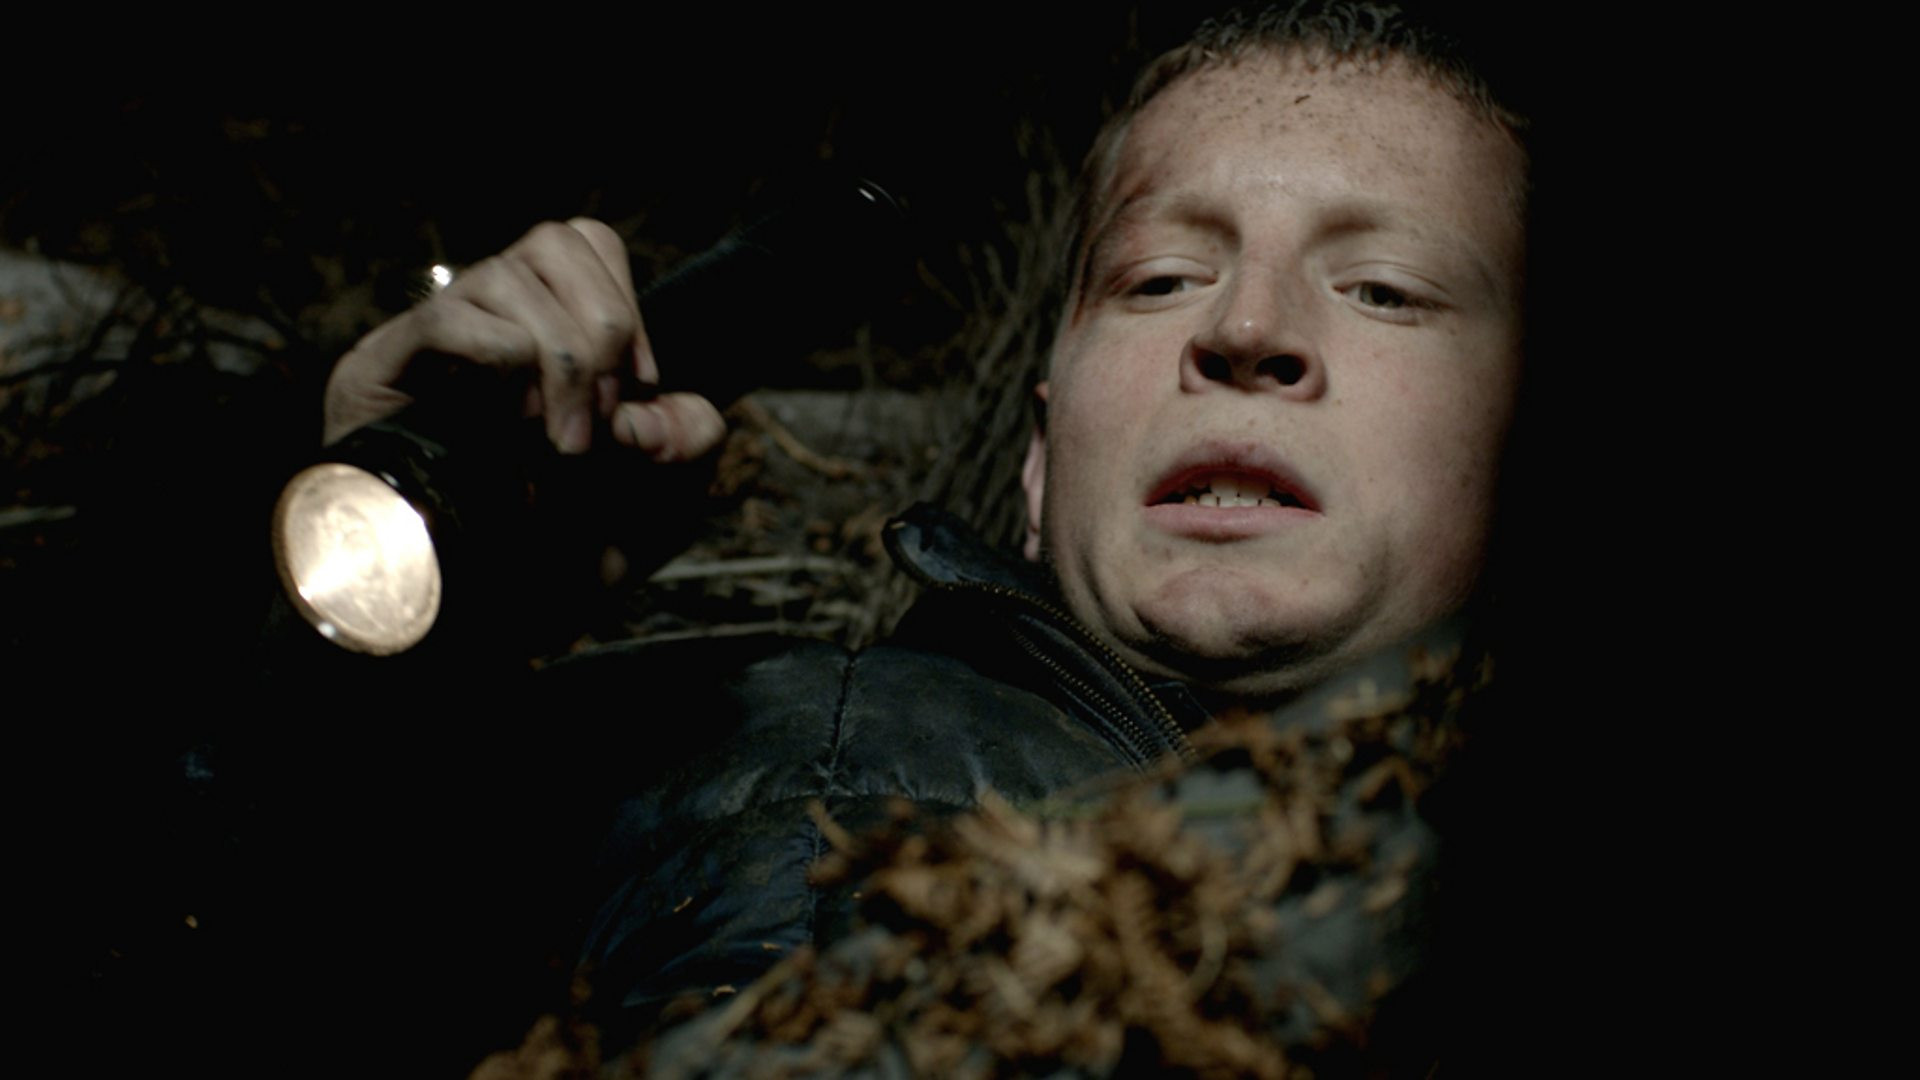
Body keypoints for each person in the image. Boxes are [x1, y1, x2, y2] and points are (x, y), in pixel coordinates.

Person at [320, 2, 1532, 1070]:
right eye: (1159, 278)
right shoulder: (870, 800)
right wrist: (339, 662)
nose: (1247, 328)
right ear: (1041, 465)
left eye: (1384, 289)